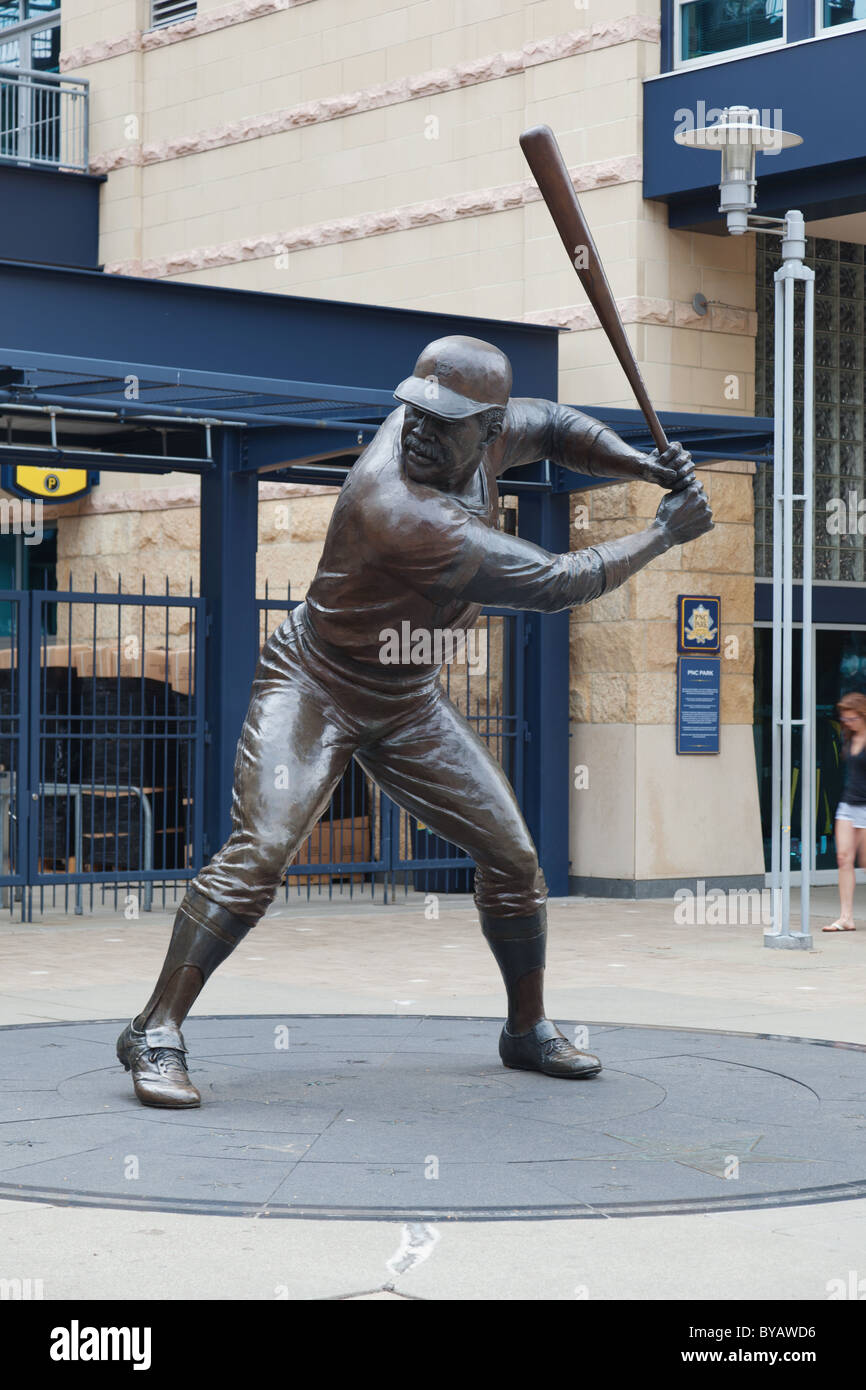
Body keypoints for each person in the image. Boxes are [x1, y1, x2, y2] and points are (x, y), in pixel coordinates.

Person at [116, 334, 713, 1107]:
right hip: (316, 681)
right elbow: (560, 581)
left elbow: (559, 424)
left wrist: (643, 464)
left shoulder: (489, 435)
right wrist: (666, 530)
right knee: (261, 851)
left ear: (489, 431)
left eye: (447, 419)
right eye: (416, 411)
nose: (421, 429)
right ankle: (154, 1029)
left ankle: (525, 1028)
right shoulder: (396, 505)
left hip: (407, 696)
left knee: (515, 859)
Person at [823, 691, 866, 932]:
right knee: (843, 859)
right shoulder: (848, 737)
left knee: (864, 861)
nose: (847, 723)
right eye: (845, 719)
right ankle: (846, 917)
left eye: (852, 719)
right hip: (848, 805)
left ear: (862, 715)